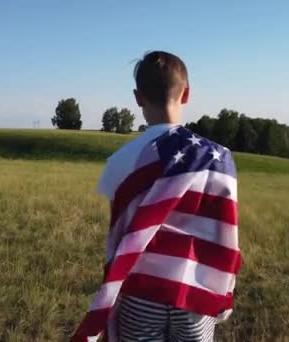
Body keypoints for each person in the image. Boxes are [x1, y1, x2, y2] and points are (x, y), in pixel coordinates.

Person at [72, 51, 241, 342]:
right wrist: (223, 292)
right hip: (194, 296)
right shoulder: (219, 159)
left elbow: (120, 232)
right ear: (186, 94)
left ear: (138, 98)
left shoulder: (121, 161)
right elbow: (225, 235)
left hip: (140, 292)